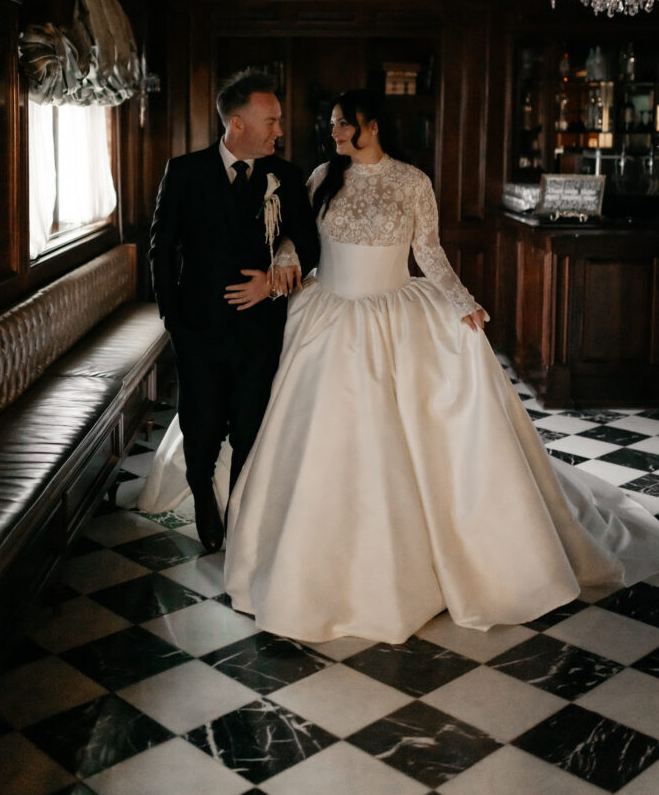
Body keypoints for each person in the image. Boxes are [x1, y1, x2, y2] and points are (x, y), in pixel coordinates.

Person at [221, 88, 659, 644]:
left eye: (343, 124)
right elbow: (298, 237)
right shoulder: (321, 177)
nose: (333, 134)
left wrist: (461, 301)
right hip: (325, 312)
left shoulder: (412, 182)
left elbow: (428, 251)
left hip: (392, 312)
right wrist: (284, 260)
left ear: (372, 126)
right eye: (331, 126)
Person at [142, 69, 319, 553]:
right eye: (271, 120)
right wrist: (173, 320)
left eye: (279, 120)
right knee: (202, 429)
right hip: (198, 329)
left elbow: (308, 244)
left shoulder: (286, 177)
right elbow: (161, 249)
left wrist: (273, 282)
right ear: (237, 123)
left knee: (249, 428)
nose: (279, 129)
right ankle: (203, 495)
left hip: (261, 329)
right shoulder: (184, 171)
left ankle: (238, 510)